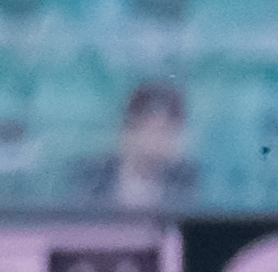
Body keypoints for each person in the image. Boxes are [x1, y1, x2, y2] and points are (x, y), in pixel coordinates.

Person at [74, 79, 197, 210]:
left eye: (171, 132)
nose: (163, 141)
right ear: (129, 129)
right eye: (157, 130)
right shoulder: (90, 178)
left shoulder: (184, 180)